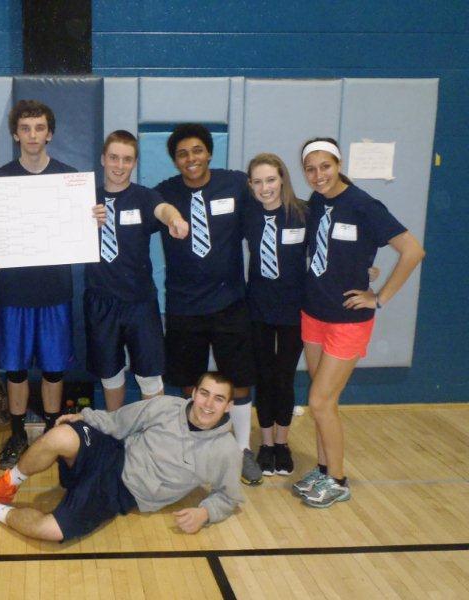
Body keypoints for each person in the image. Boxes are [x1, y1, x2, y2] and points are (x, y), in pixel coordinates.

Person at [0, 372, 243, 541]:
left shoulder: (226, 450)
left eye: (218, 399)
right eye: (204, 393)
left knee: (52, 532)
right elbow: (118, 422)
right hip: (112, 454)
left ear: (228, 406)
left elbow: (229, 498)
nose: (207, 404)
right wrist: (81, 417)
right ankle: (8, 483)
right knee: (60, 435)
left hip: (121, 494)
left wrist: (205, 513)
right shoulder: (166, 406)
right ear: (194, 392)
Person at [0, 100, 104, 469]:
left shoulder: (69, 178)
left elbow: (81, 232)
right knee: (14, 370)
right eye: (25, 128)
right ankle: (16, 434)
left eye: (39, 128)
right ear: (16, 133)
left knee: (53, 369)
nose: (32, 135)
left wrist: (93, 218)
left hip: (55, 292)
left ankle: (49, 434)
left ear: (50, 133)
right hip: (12, 292)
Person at [293, 138, 425, 508]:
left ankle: (337, 480)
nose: (318, 175)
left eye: (325, 166)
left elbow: (413, 251)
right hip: (313, 314)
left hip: (347, 322)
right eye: (311, 168)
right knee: (323, 402)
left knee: (320, 401)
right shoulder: (318, 202)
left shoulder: (364, 205)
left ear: (338, 164)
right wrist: (363, 266)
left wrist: (378, 297)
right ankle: (322, 470)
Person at [154, 123, 261, 485]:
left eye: (197, 150)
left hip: (231, 302)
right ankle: (195, 446)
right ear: (175, 159)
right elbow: (133, 218)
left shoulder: (235, 184)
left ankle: (242, 449)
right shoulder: (164, 193)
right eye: (182, 153)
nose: (191, 159)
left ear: (209, 153)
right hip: (184, 307)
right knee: (187, 381)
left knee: (241, 381)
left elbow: (273, 212)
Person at [85, 130, 189, 410]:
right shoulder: (84, 199)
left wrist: (175, 219)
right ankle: (116, 432)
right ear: (103, 159)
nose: (120, 166)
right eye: (114, 158)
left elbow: (163, 209)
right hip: (100, 302)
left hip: (140, 302)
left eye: (127, 160)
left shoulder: (144, 197)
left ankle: (151, 437)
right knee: (110, 374)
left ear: (134, 163)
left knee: (150, 375)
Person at [243, 153, 307, 477]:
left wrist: (364, 268)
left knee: (285, 377)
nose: (265, 187)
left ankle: (282, 443)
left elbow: (330, 251)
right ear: (250, 185)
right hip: (258, 308)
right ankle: (266, 444)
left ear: (282, 178)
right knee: (265, 377)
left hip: (294, 310)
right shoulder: (249, 216)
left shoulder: (303, 212)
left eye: (270, 179)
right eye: (258, 181)